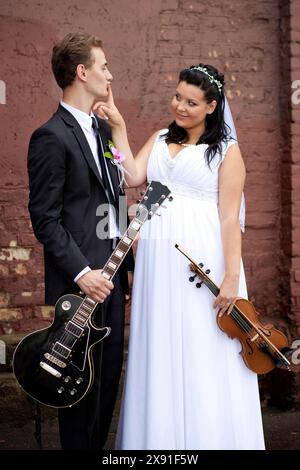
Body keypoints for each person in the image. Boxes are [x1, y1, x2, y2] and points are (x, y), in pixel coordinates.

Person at [95, 63, 265, 450]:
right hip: (159, 263)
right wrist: (119, 126)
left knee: (202, 344)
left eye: (191, 102)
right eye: (177, 97)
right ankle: (160, 439)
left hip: (202, 259)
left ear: (211, 105)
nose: (180, 106)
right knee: (160, 341)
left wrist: (232, 279)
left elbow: (229, 218)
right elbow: (133, 175)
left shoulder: (226, 152)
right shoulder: (158, 137)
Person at [27, 32, 133, 450]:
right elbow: (45, 219)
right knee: (78, 398)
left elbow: (118, 196)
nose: (110, 73)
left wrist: (127, 269)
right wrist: (84, 273)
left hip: (113, 281)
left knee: (108, 388)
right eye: (103, 66)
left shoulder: (105, 132)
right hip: (80, 287)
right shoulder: (50, 136)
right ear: (82, 71)